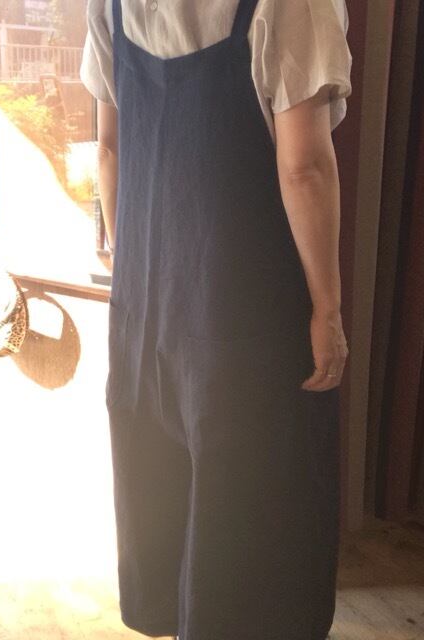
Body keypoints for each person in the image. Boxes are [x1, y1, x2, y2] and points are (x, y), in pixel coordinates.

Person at [80, 0, 352, 639]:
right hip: (247, 304)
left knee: (165, 487)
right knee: (254, 512)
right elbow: (304, 168)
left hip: (146, 300)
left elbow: (108, 151)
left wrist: (135, 271)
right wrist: (328, 309)